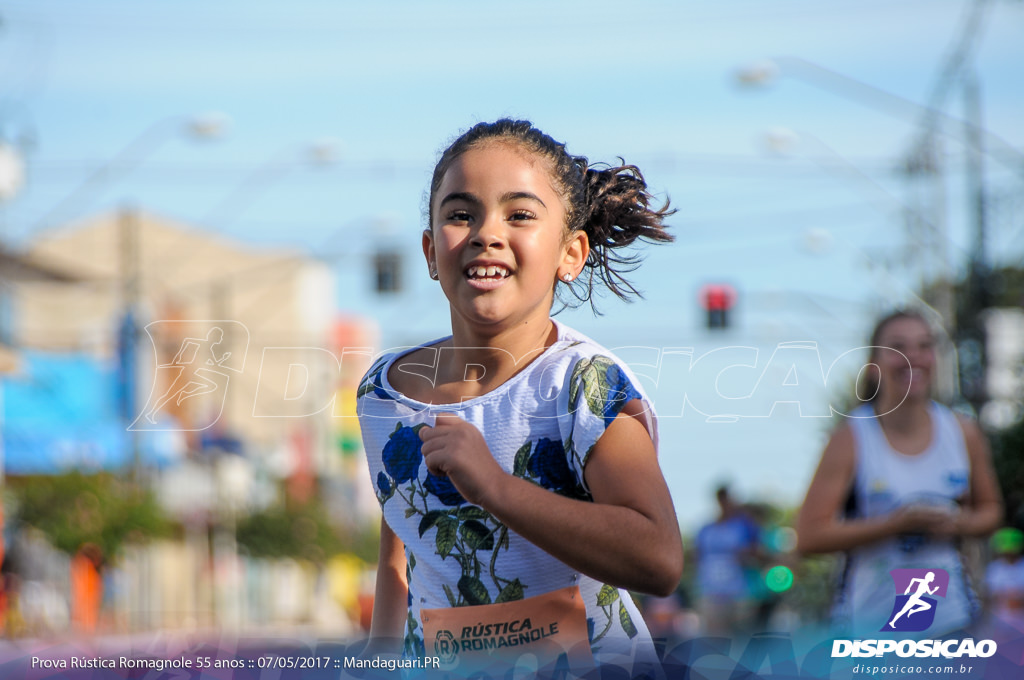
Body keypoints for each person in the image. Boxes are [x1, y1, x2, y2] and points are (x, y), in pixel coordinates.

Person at [357, 119, 683, 674]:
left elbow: (659, 559)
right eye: (461, 214)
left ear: (571, 253)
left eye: (520, 214)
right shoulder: (383, 395)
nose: (487, 232)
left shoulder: (583, 385)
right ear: (431, 251)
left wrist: (495, 489)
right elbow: (402, 559)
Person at [796, 310, 1003, 637]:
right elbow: (808, 537)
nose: (913, 358)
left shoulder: (963, 432)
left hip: (951, 621)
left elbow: (991, 513)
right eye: (898, 347)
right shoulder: (852, 437)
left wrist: (956, 522)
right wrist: (895, 524)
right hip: (869, 627)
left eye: (924, 346)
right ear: (874, 364)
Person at [693, 485, 761, 636]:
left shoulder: (744, 525)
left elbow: (758, 551)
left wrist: (745, 555)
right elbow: (696, 557)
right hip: (711, 591)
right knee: (716, 639)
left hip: (739, 591)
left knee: (742, 638)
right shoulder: (706, 529)